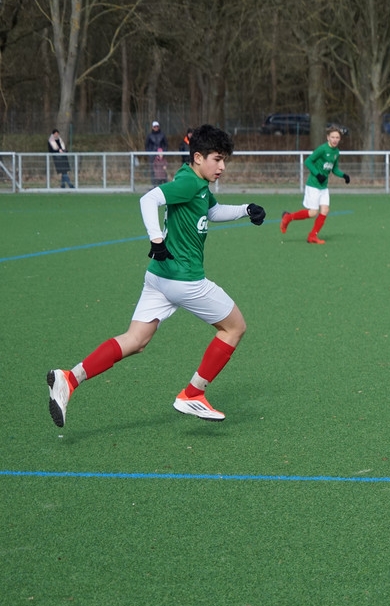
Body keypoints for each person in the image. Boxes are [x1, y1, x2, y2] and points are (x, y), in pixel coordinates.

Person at [45, 124, 267, 428]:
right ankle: (193, 393)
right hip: (184, 279)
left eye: (224, 160)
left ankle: (69, 379)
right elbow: (148, 199)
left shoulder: (195, 182)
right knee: (234, 328)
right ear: (198, 157)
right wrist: (156, 239)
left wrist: (245, 209)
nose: (222, 167)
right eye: (217, 159)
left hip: (158, 278)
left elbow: (211, 213)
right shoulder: (189, 183)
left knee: (135, 340)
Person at [279, 126, 350, 245]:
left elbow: (334, 169)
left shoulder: (336, 152)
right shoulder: (322, 149)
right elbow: (308, 161)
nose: (335, 139)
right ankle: (288, 217)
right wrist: (317, 174)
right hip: (313, 185)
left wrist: (344, 175)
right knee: (313, 213)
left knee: (325, 210)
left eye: (337, 137)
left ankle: (312, 236)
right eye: (332, 137)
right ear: (328, 137)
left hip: (324, 187)